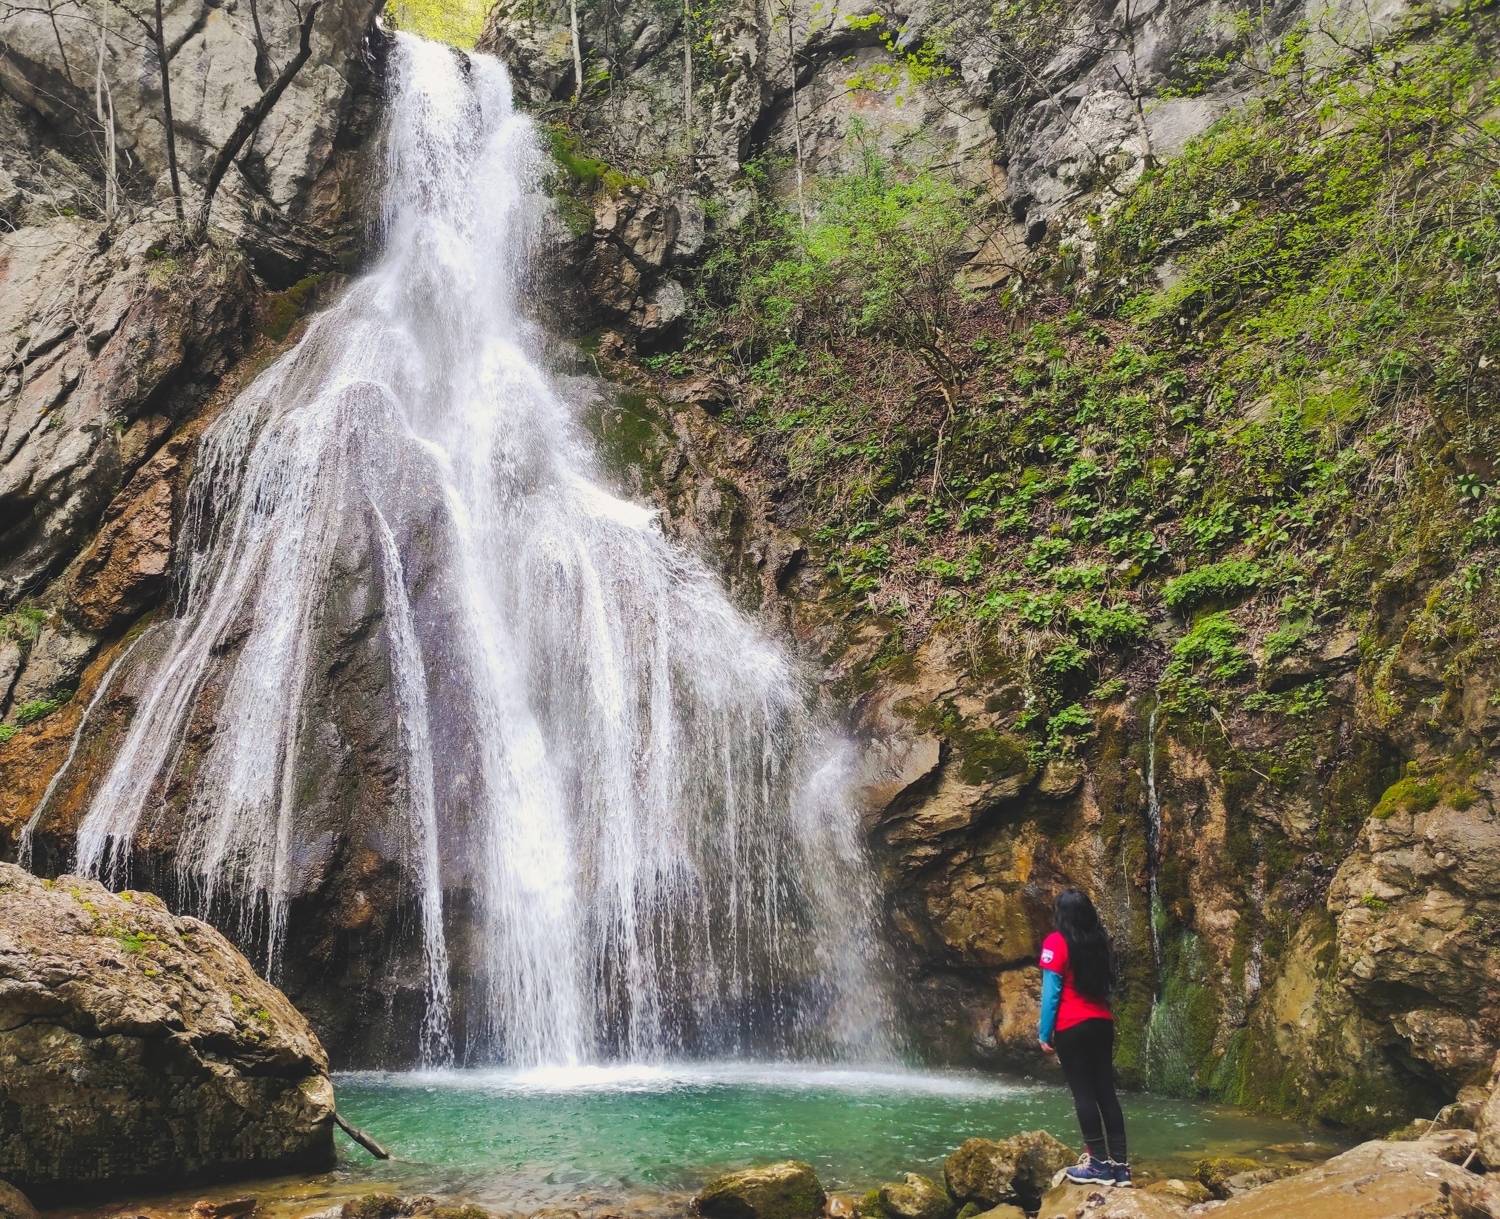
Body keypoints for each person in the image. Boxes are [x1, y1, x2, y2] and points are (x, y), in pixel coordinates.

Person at [1037, 887, 1131, 1187]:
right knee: (1106, 1092)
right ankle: (1121, 1168)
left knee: (1084, 1094)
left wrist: (1044, 1032)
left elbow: (1051, 993)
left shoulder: (1056, 942)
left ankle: (1098, 1166)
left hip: (1072, 1025)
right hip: (1102, 1023)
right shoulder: (1099, 942)